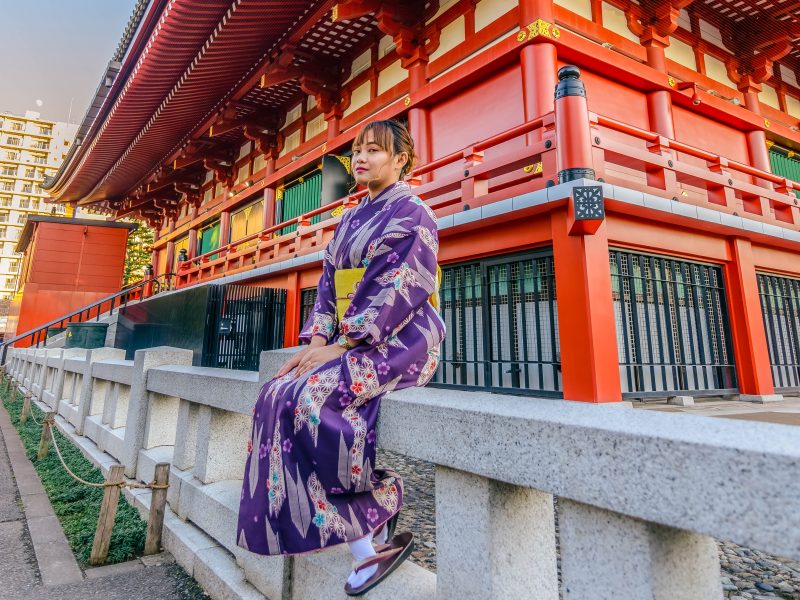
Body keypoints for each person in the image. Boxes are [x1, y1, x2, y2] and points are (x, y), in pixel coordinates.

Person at [237, 119, 445, 596]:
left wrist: (343, 343)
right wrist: (316, 342)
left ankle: (378, 501)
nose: (362, 158)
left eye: (375, 150)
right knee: (276, 392)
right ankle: (360, 542)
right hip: (352, 338)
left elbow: (397, 289)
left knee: (314, 397)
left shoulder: (413, 213)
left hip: (402, 336)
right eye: (358, 151)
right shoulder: (350, 219)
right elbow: (329, 288)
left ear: (401, 160)